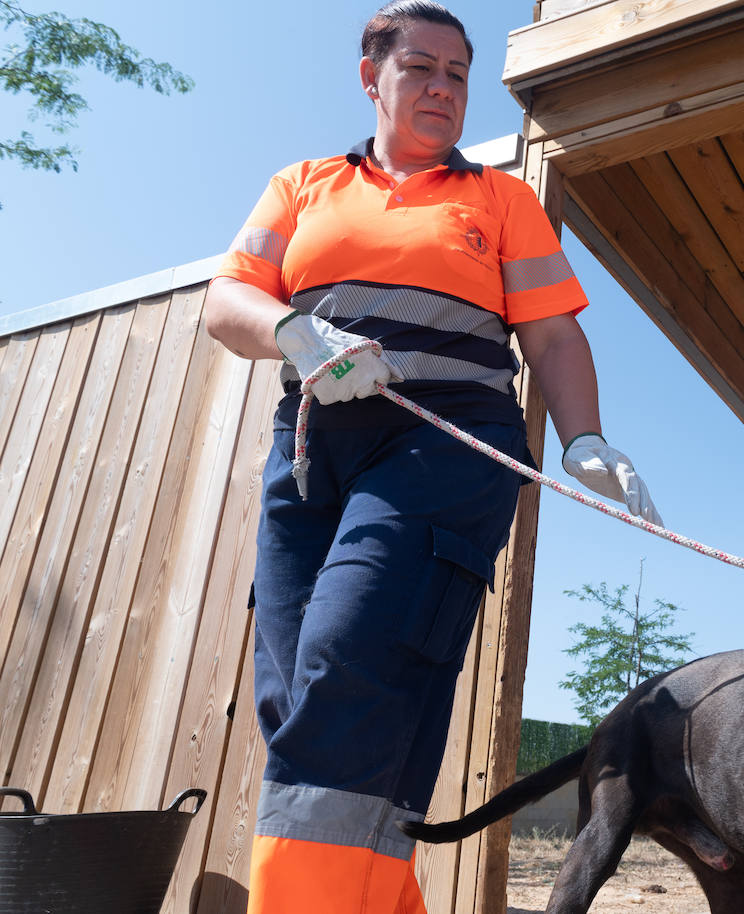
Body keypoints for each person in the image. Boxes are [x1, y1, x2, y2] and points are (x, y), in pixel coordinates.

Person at [204, 3, 661, 911]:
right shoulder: (301, 185)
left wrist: (587, 440)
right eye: (422, 67)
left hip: (445, 439)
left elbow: (556, 338)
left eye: (459, 73)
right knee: (294, 695)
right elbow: (226, 303)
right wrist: (295, 332)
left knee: (353, 659)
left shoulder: (498, 199)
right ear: (370, 77)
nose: (444, 87)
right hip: (308, 447)